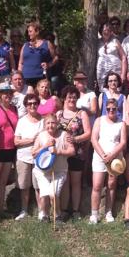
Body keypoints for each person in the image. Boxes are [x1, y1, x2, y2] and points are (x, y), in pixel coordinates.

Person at [32, 114, 75, 222]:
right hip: (42, 171)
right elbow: (33, 153)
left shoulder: (64, 135)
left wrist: (58, 151)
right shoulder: (41, 136)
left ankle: (57, 215)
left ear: (57, 124)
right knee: (45, 194)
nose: (50, 125)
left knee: (53, 193)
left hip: (59, 171)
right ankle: (45, 215)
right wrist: (45, 146)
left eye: (53, 123)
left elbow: (72, 151)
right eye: (48, 123)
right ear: (44, 124)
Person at [57, 85, 92, 221]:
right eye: (69, 97)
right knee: (64, 181)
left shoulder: (82, 114)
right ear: (64, 98)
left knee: (76, 182)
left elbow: (88, 133)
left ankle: (76, 210)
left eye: (74, 97)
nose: (72, 99)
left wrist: (76, 139)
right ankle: (65, 210)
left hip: (78, 152)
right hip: (63, 153)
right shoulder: (59, 114)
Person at [90, 98, 127, 224]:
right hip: (100, 157)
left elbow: (123, 142)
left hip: (115, 158)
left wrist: (112, 155)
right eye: (108, 109)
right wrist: (103, 155)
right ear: (105, 109)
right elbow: (94, 139)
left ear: (118, 109)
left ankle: (108, 211)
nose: (111, 111)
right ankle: (94, 214)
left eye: (114, 109)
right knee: (97, 185)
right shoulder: (99, 120)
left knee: (111, 185)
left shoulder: (121, 123)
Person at [0, 83, 19, 219]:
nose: (8, 95)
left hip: (10, 149)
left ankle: (0, 210)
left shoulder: (14, 109)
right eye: (5, 92)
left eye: (10, 93)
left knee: (2, 182)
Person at [14, 93, 43, 221]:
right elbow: (16, 142)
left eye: (35, 103)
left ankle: (42, 212)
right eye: (29, 104)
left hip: (40, 159)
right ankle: (24, 210)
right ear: (26, 106)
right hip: (23, 158)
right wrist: (31, 140)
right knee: (24, 186)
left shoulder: (43, 121)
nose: (32, 106)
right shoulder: (21, 121)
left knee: (39, 186)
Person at [19, 21, 58, 87]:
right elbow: (20, 63)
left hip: (40, 77)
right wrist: (19, 75)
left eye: (30, 31)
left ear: (37, 31)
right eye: (28, 31)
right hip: (26, 78)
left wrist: (48, 65)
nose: (28, 34)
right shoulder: (25, 45)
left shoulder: (47, 44)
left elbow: (55, 58)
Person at [96, 22, 126, 92]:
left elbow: (123, 57)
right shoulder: (97, 42)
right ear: (101, 31)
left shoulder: (115, 41)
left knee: (116, 91)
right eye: (105, 30)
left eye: (109, 30)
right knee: (104, 92)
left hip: (116, 70)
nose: (107, 32)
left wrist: (123, 74)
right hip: (101, 72)